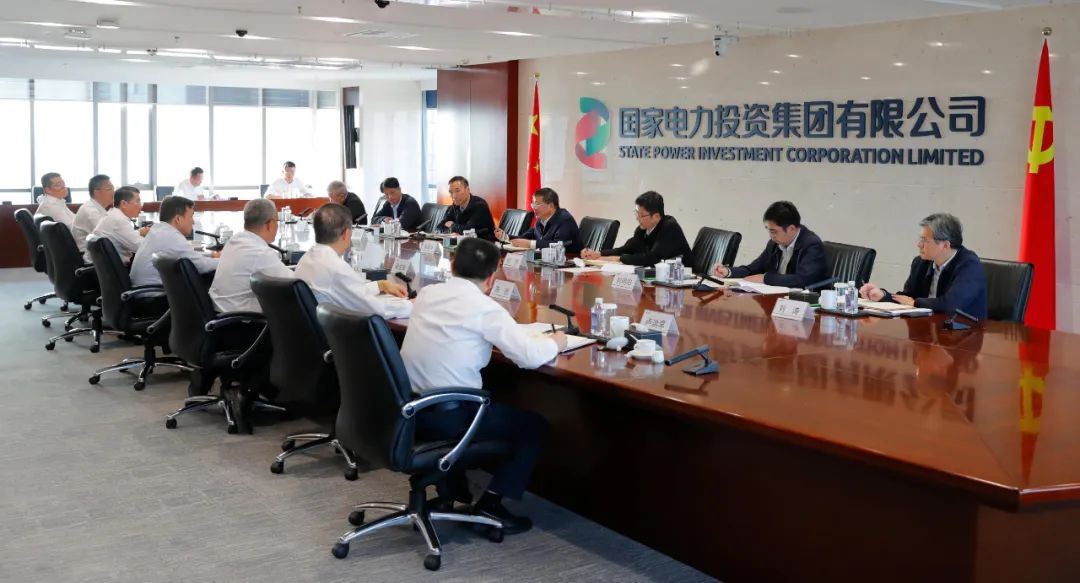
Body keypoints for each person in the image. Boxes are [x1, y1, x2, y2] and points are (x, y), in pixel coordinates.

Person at [400, 237, 568, 534]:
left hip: (409, 410)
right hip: (450, 418)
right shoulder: (485, 308)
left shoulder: (427, 294)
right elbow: (529, 357)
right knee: (533, 427)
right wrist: (557, 341)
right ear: (491, 279)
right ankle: (491, 505)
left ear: (452, 264)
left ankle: (450, 492)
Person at [293, 203, 412, 319]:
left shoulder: (306, 259)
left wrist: (380, 285)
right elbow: (376, 310)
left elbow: (349, 292)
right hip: (335, 330)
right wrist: (412, 305)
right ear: (346, 233)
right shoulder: (335, 267)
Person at [860, 213, 988, 319]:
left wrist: (916, 303)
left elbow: (951, 305)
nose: (919, 245)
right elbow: (907, 298)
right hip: (927, 328)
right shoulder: (921, 263)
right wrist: (883, 295)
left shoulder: (970, 266)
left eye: (924, 240)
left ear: (945, 245)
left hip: (963, 333)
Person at [710, 201, 828, 287]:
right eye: (769, 231)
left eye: (774, 231)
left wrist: (765, 278)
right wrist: (728, 271)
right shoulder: (774, 244)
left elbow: (802, 280)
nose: (771, 236)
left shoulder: (811, 245)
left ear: (791, 229)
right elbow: (752, 269)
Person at [209, 198, 294, 313]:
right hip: (241, 319)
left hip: (219, 311)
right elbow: (295, 284)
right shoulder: (260, 253)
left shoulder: (234, 241)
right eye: (277, 221)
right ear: (269, 224)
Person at [581, 191, 690, 266]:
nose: (637, 218)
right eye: (637, 213)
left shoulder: (670, 227)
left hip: (687, 281)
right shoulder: (642, 230)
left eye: (642, 215)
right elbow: (626, 249)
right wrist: (599, 254)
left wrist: (620, 258)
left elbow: (652, 259)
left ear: (656, 216)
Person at [130, 195, 220, 287]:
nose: (193, 222)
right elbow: (201, 266)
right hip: (153, 292)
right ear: (178, 219)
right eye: (191, 216)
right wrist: (225, 261)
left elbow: (185, 256)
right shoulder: (172, 236)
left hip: (144, 288)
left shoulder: (159, 230)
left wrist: (211, 255)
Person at [496, 187, 581, 252]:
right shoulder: (540, 220)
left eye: (537, 204)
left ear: (551, 206)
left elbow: (559, 245)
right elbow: (524, 238)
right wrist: (506, 237)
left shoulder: (565, 220)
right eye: (533, 204)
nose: (534, 208)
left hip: (571, 264)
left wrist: (530, 244)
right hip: (547, 262)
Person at [86, 186, 149, 264]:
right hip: (114, 268)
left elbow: (125, 236)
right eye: (138, 201)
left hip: (102, 266)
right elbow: (141, 247)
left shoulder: (114, 214)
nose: (141, 206)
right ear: (124, 204)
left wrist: (139, 233)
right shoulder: (119, 219)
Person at [442, 176, 496, 241]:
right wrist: (454, 230)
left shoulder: (480, 206)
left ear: (467, 189)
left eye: (457, 191)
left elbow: (469, 231)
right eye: (451, 192)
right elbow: (439, 226)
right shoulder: (455, 206)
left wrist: (452, 225)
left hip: (484, 244)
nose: (454, 196)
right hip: (463, 244)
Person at [72, 174, 114, 252]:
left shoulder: (97, 208)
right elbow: (109, 235)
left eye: (113, 189)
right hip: (88, 255)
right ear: (96, 192)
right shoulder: (90, 211)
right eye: (109, 189)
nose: (113, 192)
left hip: (98, 252)